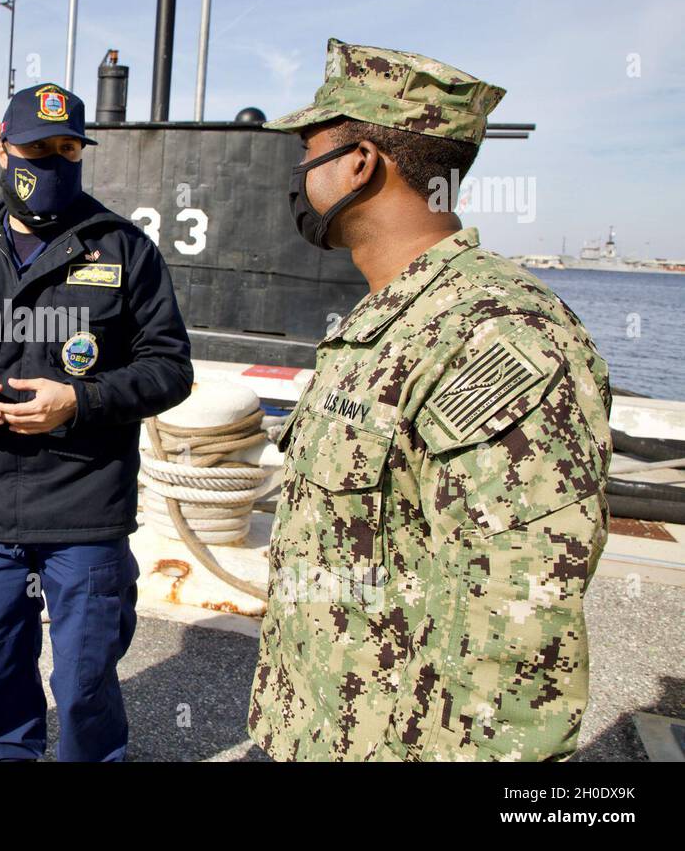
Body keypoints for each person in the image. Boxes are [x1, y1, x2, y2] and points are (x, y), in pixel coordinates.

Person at [244, 39, 612, 761]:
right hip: (315, 729)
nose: (298, 174)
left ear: (359, 163)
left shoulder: (496, 337)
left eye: (310, 150)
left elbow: (516, 634)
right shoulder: (390, 322)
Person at [0, 83, 193, 761]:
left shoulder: (123, 250)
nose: (55, 162)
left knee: (86, 678)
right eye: (38, 149)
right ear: (4, 151)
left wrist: (80, 400)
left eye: (69, 149)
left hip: (85, 510)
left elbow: (171, 369)